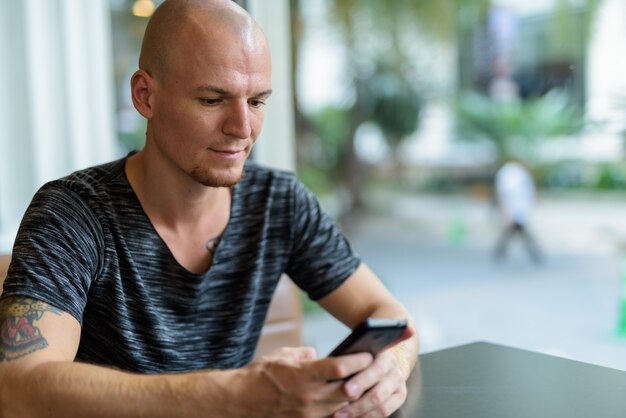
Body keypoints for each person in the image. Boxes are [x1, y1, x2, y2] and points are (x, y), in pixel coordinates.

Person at [0, 1, 418, 417]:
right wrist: (237, 394)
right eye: (213, 99)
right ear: (145, 95)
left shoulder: (278, 202)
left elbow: (389, 317)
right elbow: (19, 386)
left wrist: (388, 372)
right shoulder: (71, 213)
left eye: (256, 102)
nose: (242, 128)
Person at [493, 160, 543, 264]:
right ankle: (535, 256)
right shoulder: (510, 175)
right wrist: (505, 212)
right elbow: (504, 195)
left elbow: (528, 193)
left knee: (511, 233)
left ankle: (499, 253)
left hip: (518, 212)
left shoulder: (521, 176)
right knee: (520, 234)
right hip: (514, 212)